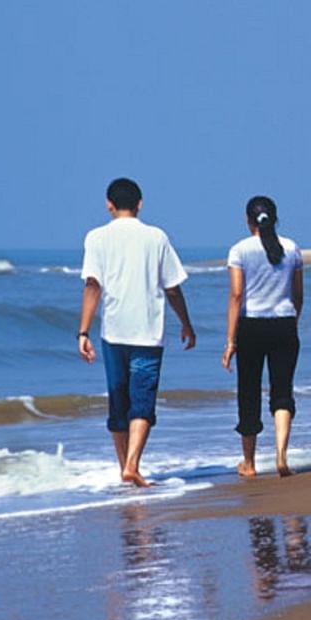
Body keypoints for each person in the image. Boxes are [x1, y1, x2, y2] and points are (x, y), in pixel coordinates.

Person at [78, 177, 196, 487]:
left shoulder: (95, 238)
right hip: (148, 331)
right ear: (140, 204)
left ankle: (124, 468)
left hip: (113, 332)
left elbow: (92, 286)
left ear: (108, 204)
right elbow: (172, 288)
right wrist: (186, 323)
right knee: (142, 399)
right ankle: (132, 465)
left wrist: (83, 332)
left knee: (119, 401)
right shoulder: (156, 237)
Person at [221, 195, 303, 478]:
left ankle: (250, 463)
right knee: (282, 391)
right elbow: (298, 294)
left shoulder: (239, 250)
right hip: (284, 324)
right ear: (275, 218)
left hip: (251, 326)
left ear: (248, 220)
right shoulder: (291, 248)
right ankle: (281, 454)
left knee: (249, 392)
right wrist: (293, 321)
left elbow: (236, 295)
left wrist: (230, 340)